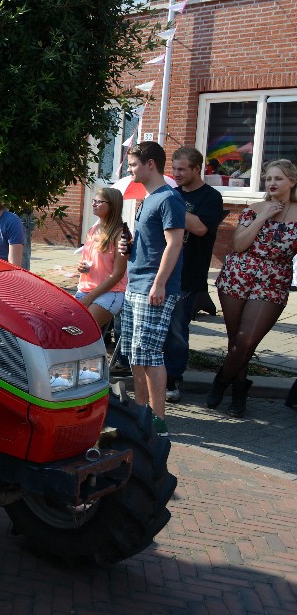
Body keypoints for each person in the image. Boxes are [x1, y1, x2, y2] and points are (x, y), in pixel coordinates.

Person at [210, 159, 297, 418]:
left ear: (292, 182)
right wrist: (263, 216)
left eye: (278, 178)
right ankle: (239, 393)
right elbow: (238, 245)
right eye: (268, 178)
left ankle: (221, 381)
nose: (272, 183)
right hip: (238, 275)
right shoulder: (253, 210)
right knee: (236, 340)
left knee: (247, 339)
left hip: (273, 280)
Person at [117, 141, 185, 437]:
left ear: (151, 164)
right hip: (136, 283)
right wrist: (127, 247)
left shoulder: (169, 199)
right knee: (135, 352)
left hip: (154, 287)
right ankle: (141, 410)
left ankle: (158, 419)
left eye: (132, 164)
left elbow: (175, 243)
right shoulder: (147, 199)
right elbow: (151, 243)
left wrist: (159, 284)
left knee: (150, 352)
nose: (129, 169)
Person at [163, 147, 223, 403]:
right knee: (160, 329)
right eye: (174, 169)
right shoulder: (172, 194)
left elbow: (199, 228)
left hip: (189, 275)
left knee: (177, 330)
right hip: (165, 273)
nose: (176, 174)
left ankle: (173, 379)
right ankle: (156, 376)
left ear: (197, 169)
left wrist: (171, 204)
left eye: (182, 169)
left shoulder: (210, 197)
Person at [75, 187, 127, 329]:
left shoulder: (123, 234)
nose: (94, 204)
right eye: (94, 200)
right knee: (65, 326)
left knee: (82, 328)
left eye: (99, 201)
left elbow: (118, 274)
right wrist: (82, 267)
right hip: (86, 289)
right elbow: (91, 261)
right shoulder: (93, 229)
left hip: (111, 292)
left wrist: (89, 298)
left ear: (113, 206)